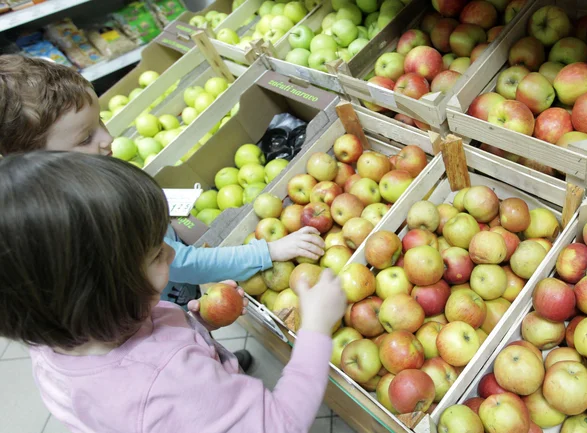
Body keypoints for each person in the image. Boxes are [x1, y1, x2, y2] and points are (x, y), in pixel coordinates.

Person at [0, 55, 326, 370]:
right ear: (36, 162)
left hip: (171, 312)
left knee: (196, 334)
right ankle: (214, 365)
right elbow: (181, 262)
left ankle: (217, 358)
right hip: (158, 321)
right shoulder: (96, 224)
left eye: (100, 121)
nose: (108, 138)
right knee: (191, 350)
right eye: (86, 137)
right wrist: (266, 251)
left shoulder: (85, 188)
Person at [0, 152, 347, 433]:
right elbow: (279, 424)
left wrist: (192, 328)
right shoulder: (169, 385)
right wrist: (315, 329)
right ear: (104, 294)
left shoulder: (55, 342)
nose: (172, 254)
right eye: (156, 254)